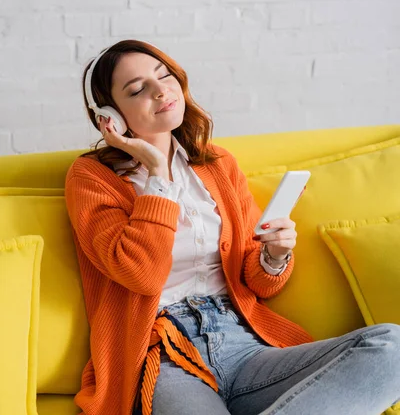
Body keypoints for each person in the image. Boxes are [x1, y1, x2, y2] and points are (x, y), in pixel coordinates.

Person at [65, 39, 400, 415]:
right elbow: (140, 273)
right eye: (138, 89)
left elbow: (258, 282)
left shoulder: (218, 164)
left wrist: (274, 254)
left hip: (243, 343)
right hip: (166, 355)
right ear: (111, 115)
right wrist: (158, 173)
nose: (161, 91)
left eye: (164, 75)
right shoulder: (91, 178)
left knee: (391, 348)